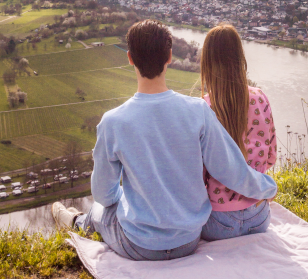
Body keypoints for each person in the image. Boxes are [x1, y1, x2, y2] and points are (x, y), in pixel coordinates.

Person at [52, 20, 277, 261]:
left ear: (129, 58)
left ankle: (76, 222)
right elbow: (229, 170)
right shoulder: (198, 110)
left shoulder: (112, 122)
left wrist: (127, 199)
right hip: (188, 240)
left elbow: (104, 195)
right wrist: (268, 187)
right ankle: (78, 220)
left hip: (138, 245)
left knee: (101, 210)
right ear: (169, 57)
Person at [200, 24, 277, 241]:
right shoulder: (260, 97)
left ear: (208, 63)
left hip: (217, 223)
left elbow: (197, 174)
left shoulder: (204, 108)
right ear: (240, 58)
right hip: (259, 217)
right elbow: (271, 157)